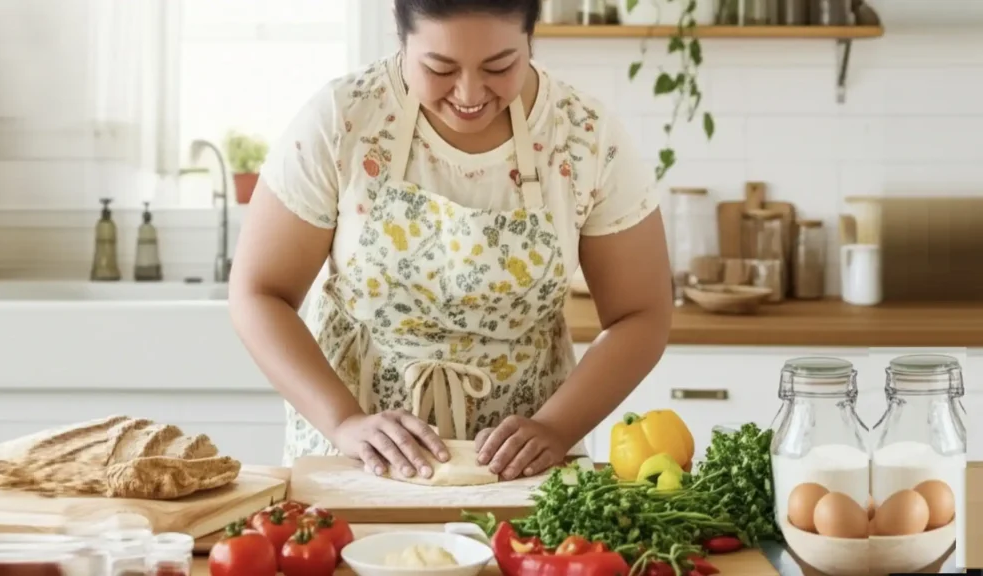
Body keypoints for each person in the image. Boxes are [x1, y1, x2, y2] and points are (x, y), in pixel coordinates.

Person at [228, 0, 673, 482]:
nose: (469, 92)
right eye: (439, 68)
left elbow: (641, 313)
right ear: (401, 39)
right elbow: (259, 292)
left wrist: (555, 427)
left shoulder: (582, 134)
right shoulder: (343, 120)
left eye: (500, 66)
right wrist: (344, 421)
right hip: (362, 463)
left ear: (530, 38)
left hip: (522, 470)